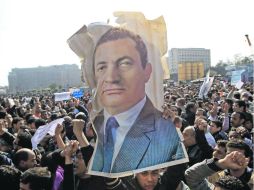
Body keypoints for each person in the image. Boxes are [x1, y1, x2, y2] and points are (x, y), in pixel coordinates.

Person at [89, 27, 187, 174]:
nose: (111, 77)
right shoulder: (96, 124)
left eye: (124, 64)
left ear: (146, 72)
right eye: (102, 67)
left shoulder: (165, 132)